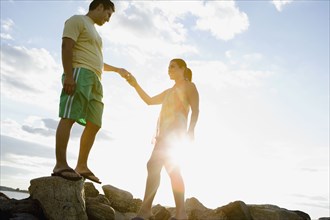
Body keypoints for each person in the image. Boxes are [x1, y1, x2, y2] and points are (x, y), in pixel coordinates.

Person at [52, 0, 129, 184]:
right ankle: (60, 164)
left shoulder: (95, 33)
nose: (108, 19)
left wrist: (117, 70)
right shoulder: (77, 20)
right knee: (69, 116)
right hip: (79, 73)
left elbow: (99, 62)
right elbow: (66, 46)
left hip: (96, 78)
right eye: (108, 14)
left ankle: (81, 166)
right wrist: (69, 76)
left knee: (95, 123)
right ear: (100, 7)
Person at [127, 59, 199, 220]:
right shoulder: (168, 91)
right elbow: (149, 101)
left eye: (172, 66)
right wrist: (135, 84)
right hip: (163, 135)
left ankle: (147, 211)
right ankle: (180, 214)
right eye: (168, 67)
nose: (169, 69)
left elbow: (195, 110)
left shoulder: (189, 86)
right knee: (172, 171)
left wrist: (191, 130)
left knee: (155, 165)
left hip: (175, 134)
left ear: (183, 68)